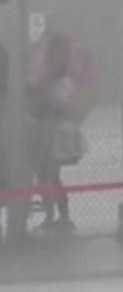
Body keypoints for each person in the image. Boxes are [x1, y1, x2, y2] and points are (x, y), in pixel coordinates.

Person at [28, 34, 84, 232]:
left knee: (50, 177)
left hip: (52, 134)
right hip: (42, 133)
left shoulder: (62, 81)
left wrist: (43, 97)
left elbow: (64, 106)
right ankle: (52, 216)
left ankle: (60, 216)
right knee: (44, 176)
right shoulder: (47, 80)